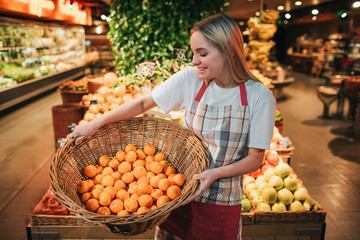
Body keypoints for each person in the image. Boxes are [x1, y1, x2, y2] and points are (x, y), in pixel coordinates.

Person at [69, 13, 276, 240]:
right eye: (193, 52)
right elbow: (142, 102)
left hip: (222, 200)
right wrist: (95, 123)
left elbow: (255, 158)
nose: (195, 61)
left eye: (203, 53)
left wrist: (215, 174)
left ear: (227, 51)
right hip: (178, 193)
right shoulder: (191, 79)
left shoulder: (259, 96)